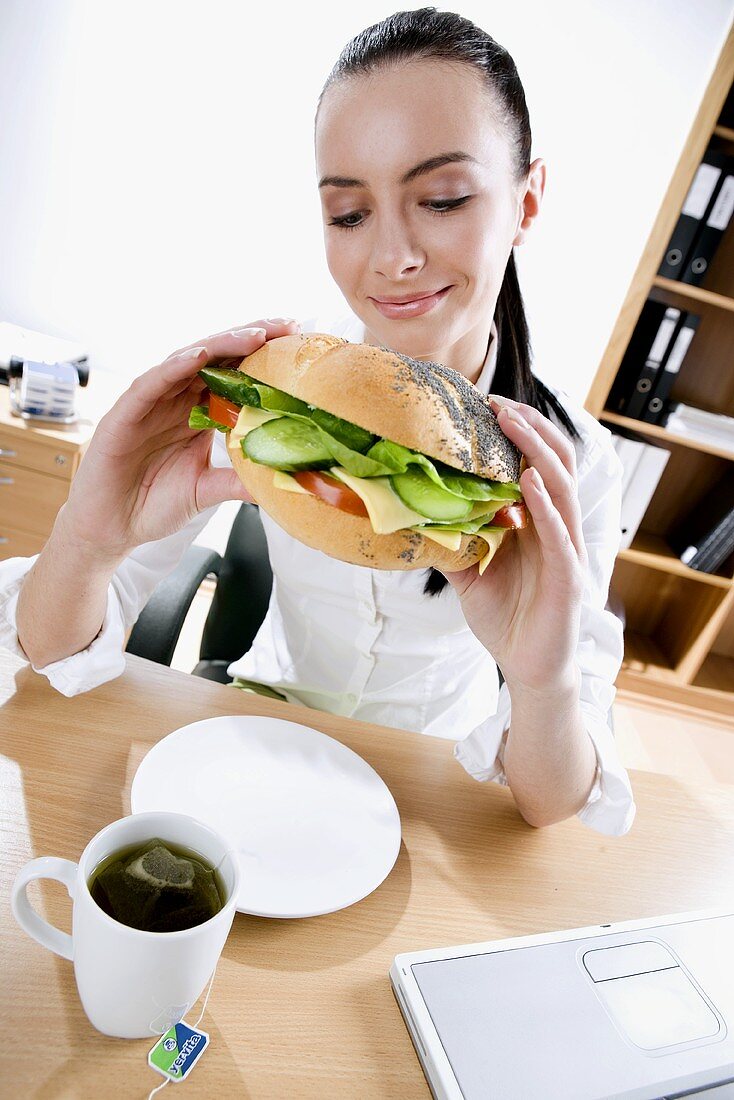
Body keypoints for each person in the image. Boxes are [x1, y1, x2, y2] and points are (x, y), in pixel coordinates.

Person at [0, 8, 635, 836]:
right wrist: (89, 538)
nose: (390, 257)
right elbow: (50, 652)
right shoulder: (273, 386)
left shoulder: (572, 465)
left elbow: (556, 806)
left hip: (428, 787)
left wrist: (542, 683)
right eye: (348, 214)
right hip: (253, 735)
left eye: (441, 199)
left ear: (527, 201)